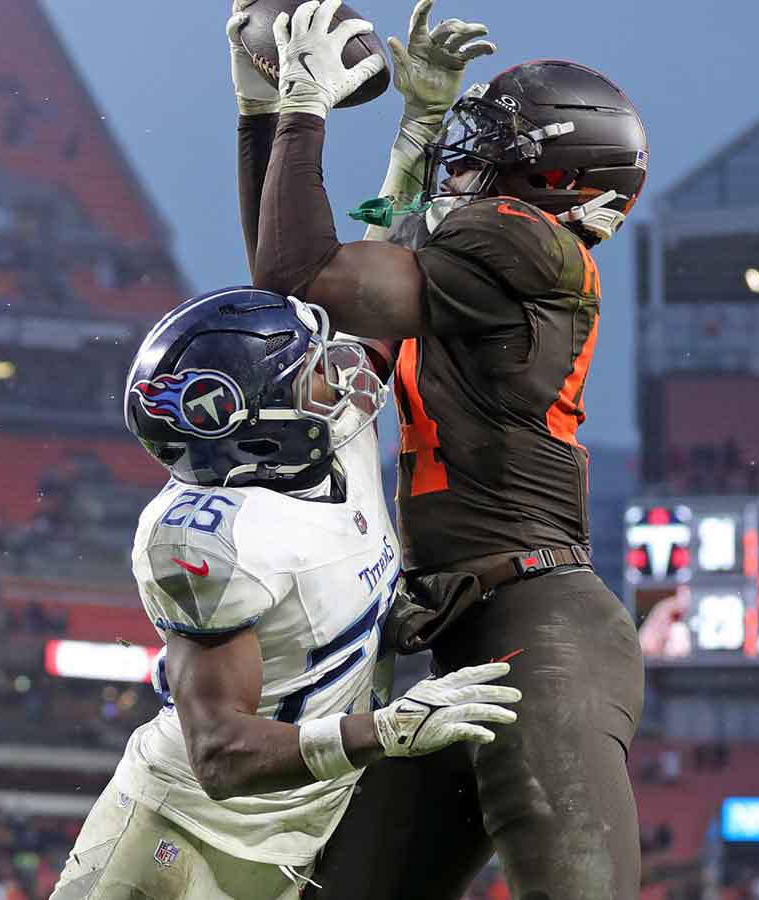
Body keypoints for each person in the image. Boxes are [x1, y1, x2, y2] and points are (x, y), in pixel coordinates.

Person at [235, 1, 652, 897]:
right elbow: (294, 307)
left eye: (487, 147)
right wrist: (261, 111)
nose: (464, 163)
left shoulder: (532, 250)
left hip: (540, 638)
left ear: (548, 179)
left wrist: (304, 106)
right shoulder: (477, 280)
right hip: (466, 642)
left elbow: (299, 271)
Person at [48, 286, 520, 900]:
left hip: (298, 838)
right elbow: (220, 755)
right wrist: (384, 730)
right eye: (312, 374)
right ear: (260, 428)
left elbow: (364, 294)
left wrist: (416, 200)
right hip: (180, 838)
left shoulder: (334, 437)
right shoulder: (210, 540)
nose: (339, 372)